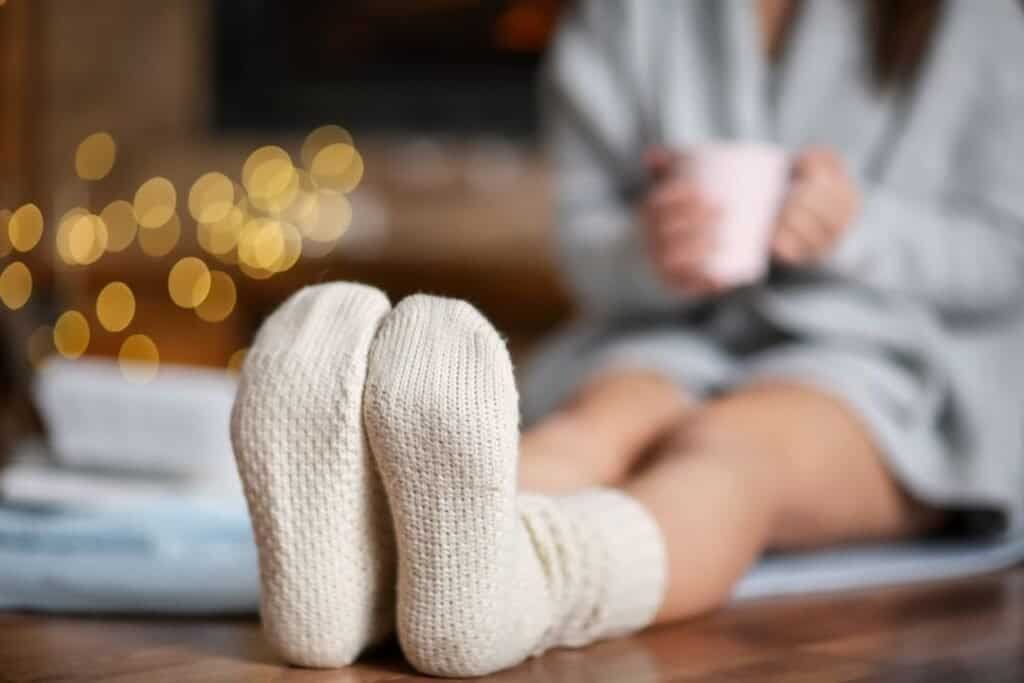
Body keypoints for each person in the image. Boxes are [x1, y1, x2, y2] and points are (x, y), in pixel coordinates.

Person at [231, 0, 1024, 677]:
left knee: (730, 450)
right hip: (674, 330)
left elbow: (1009, 252)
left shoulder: (984, 19)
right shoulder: (624, 13)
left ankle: (523, 588)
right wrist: (649, 249)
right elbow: (586, 250)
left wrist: (862, 230)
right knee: (593, 426)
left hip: (892, 353)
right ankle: (360, 578)